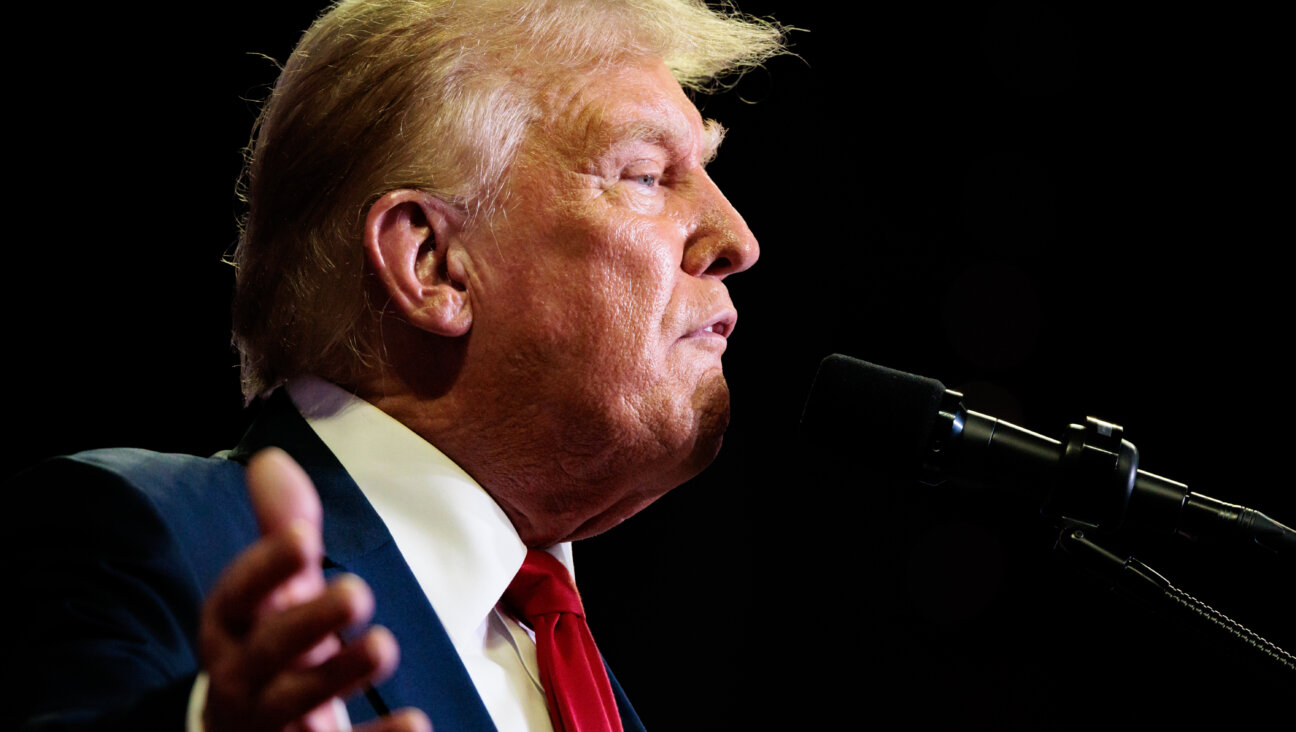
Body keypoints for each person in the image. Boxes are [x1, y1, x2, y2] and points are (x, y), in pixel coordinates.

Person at [10, 0, 785, 730]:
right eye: (647, 175)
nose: (737, 239)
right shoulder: (144, 536)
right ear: (434, 264)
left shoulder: (573, 667)